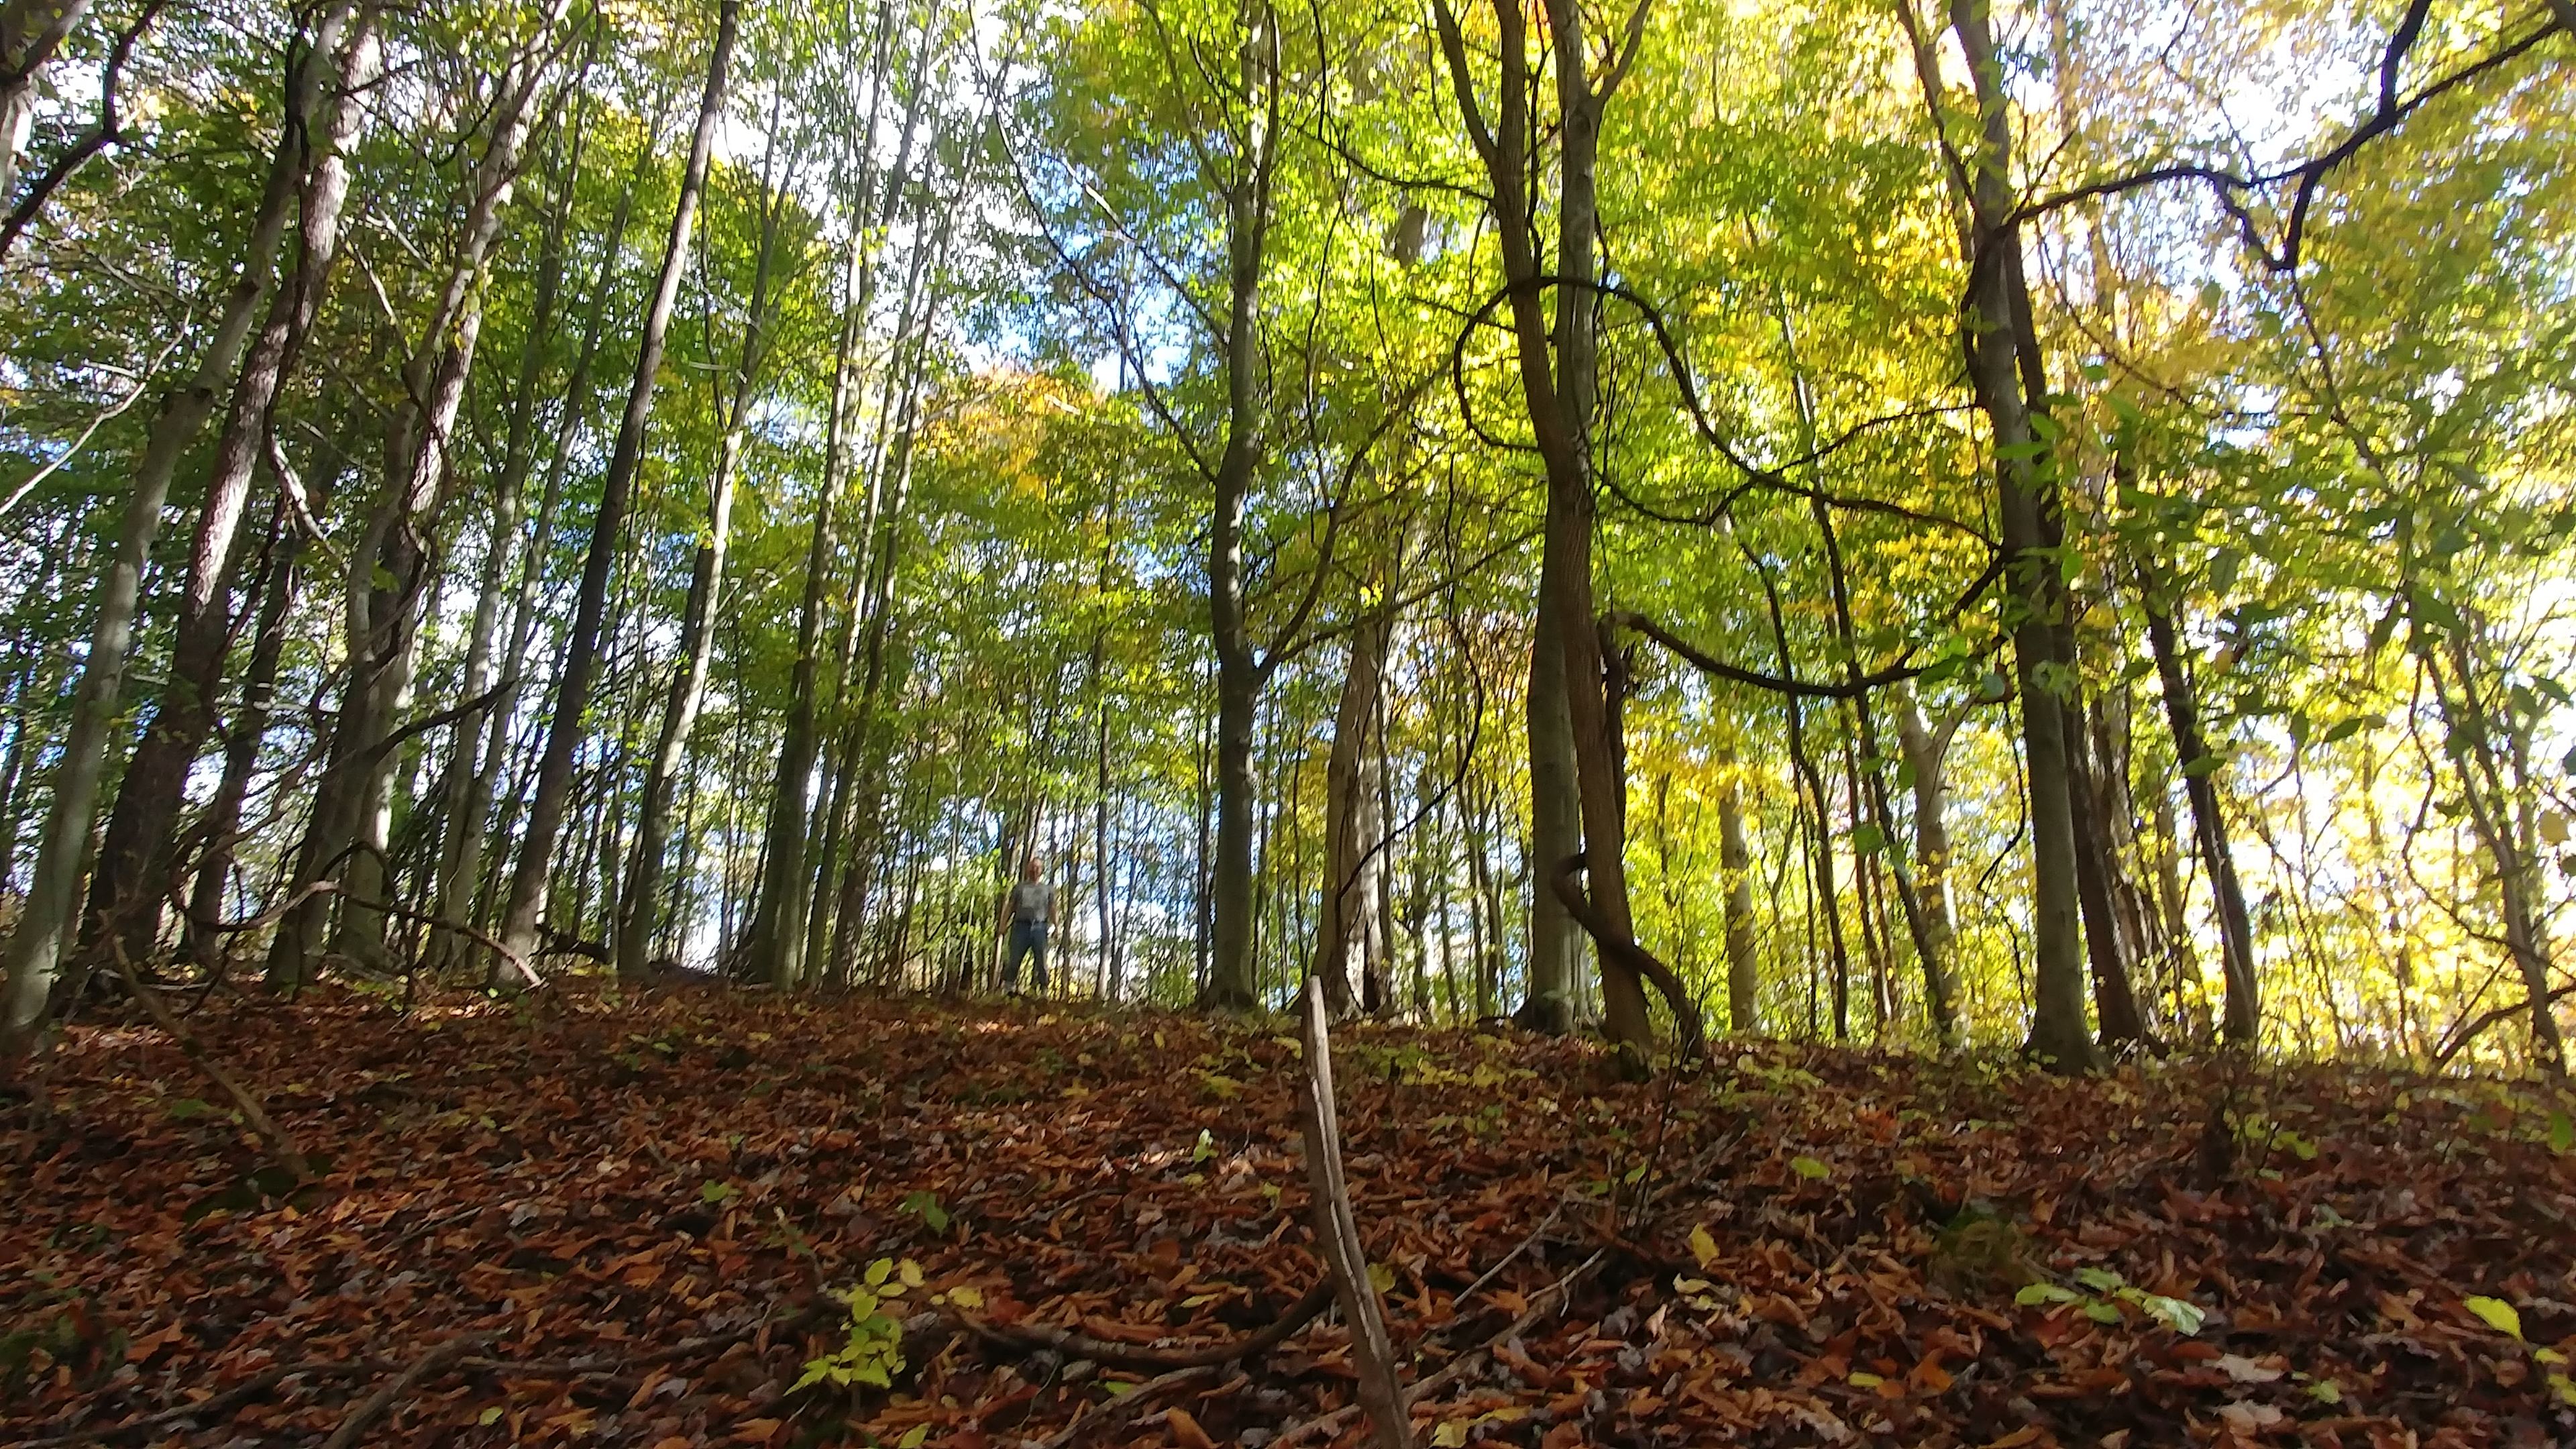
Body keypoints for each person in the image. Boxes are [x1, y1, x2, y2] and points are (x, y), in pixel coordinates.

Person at [1004, 855, 1053, 994]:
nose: (1035, 870)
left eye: (1038, 867)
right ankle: (1008, 990)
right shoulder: (1019, 888)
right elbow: (1010, 906)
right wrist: (1003, 925)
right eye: (1032, 867)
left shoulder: (1048, 889)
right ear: (1027, 869)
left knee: (1042, 962)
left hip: (1040, 928)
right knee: (1014, 959)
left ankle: (1044, 991)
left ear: (1042, 870)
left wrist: (1056, 926)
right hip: (1020, 927)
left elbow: (1052, 908)